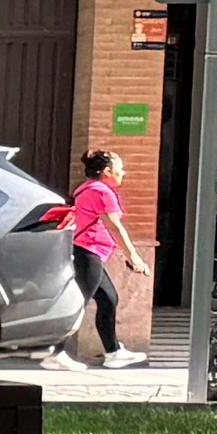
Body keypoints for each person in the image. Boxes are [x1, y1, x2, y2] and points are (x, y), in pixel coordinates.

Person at [68, 146, 144, 368]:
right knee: (77, 302)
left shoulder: (86, 188)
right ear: (108, 171)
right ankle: (55, 350)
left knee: (108, 299)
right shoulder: (101, 192)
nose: (124, 172)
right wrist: (133, 256)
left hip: (90, 252)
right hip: (86, 252)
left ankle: (113, 353)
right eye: (121, 168)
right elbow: (115, 227)